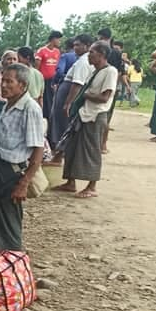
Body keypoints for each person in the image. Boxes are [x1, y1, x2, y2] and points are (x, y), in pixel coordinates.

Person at [0, 64, 44, 255]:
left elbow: (38, 149)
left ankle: (11, 262)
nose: (3, 85)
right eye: (3, 80)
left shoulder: (30, 108)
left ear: (22, 85)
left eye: (9, 81)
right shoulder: (8, 104)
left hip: (13, 173)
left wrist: (24, 183)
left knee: (8, 222)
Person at [54, 42, 119, 198]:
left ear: (102, 54)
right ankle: (70, 181)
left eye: (92, 52)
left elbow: (104, 97)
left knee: (91, 150)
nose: (89, 56)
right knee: (72, 147)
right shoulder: (94, 71)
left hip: (95, 115)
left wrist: (85, 94)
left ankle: (92, 186)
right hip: (83, 113)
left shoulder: (110, 71)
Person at [45, 34, 93, 165]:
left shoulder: (83, 62)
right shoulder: (82, 60)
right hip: (67, 91)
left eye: (78, 45)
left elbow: (77, 84)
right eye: (74, 45)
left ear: (87, 46)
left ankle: (59, 155)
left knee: (62, 124)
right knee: (63, 123)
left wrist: (68, 102)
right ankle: (59, 154)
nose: (75, 48)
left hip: (68, 93)